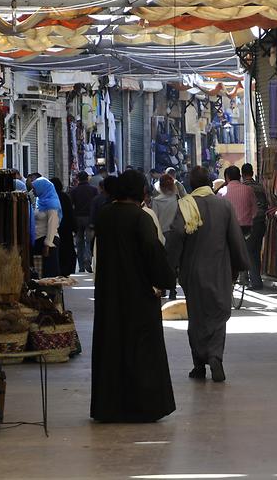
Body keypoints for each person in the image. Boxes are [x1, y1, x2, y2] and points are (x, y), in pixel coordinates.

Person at [91, 170, 177, 423]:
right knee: (141, 350)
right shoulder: (140, 218)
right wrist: (163, 280)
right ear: (140, 192)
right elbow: (152, 251)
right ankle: (143, 407)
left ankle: (109, 407)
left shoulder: (105, 215)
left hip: (109, 294)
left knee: (111, 348)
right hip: (137, 294)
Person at [166, 166, 249, 382]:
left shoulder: (185, 206)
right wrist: (240, 264)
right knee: (218, 316)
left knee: (197, 317)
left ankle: (198, 364)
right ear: (210, 183)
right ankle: (215, 356)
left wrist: (168, 267)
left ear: (192, 185)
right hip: (219, 271)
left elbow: (175, 237)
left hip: (193, 272)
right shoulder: (224, 205)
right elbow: (235, 239)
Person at [152, 174, 181, 300]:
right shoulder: (177, 199)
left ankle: (162, 288)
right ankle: (173, 290)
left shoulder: (156, 201)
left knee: (161, 263)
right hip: (175, 235)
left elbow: (155, 220)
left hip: (160, 235)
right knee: (173, 263)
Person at [241, 163, 268, 290]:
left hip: (251, 223)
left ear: (242, 174)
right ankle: (256, 279)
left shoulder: (243, 188)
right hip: (262, 223)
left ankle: (255, 282)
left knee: (249, 253)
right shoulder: (260, 186)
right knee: (256, 252)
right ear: (252, 173)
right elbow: (266, 204)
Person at [31, 177, 61, 278]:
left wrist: (47, 245)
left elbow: (52, 226)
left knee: (49, 274)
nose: (33, 191)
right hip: (39, 240)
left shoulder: (52, 205)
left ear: (42, 189)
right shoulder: (40, 201)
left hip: (49, 242)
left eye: (34, 189)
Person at [70, 171, 98, 273]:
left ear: (78, 179)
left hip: (78, 218)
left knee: (79, 242)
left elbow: (71, 206)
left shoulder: (74, 191)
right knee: (88, 241)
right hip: (89, 218)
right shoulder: (94, 190)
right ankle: (88, 259)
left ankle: (81, 265)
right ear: (87, 178)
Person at [218, 165, 257, 235]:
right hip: (246, 228)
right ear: (240, 176)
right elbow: (254, 212)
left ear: (227, 178)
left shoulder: (221, 192)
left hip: (229, 228)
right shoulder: (248, 189)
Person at [51, 178, 77, 277]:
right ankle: (66, 270)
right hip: (66, 229)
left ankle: (60, 269)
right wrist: (74, 227)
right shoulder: (64, 197)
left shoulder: (51, 197)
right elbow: (70, 213)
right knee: (66, 250)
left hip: (56, 228)